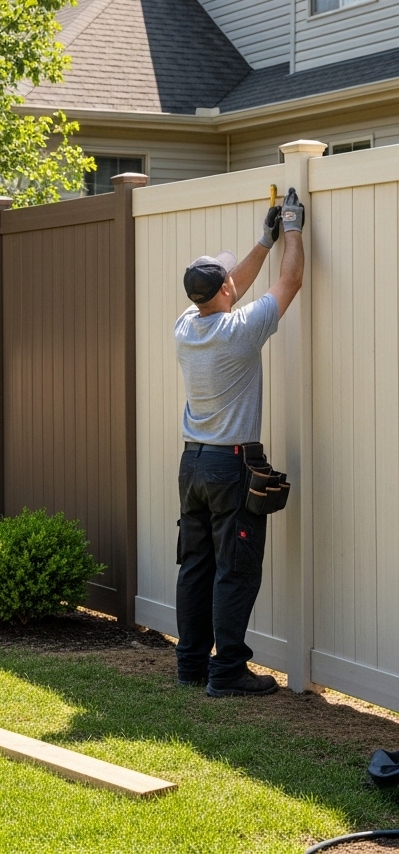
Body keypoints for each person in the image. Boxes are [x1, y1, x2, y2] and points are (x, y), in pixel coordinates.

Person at [174, 187, 305, 697]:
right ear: (226, 290)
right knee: (235, 570)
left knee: (196, 565)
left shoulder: (188, 324)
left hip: (193, 465)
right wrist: (291, 227)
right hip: (231, 468)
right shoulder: (240, 332)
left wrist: (262, 241)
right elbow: (289, 281)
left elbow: (235, 286)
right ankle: (226, 672)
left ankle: (190, 665)